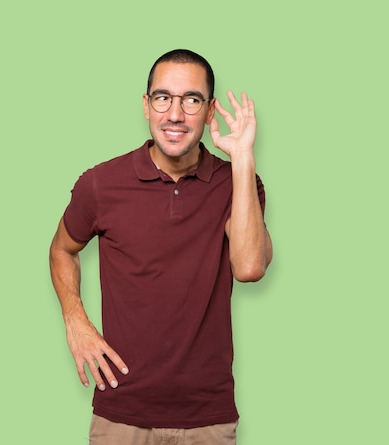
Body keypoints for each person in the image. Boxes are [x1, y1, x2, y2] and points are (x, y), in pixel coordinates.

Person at [49, 49, 272, 444]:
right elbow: (62, 249)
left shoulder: (239, 184)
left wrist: (242, 158)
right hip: (121, 414)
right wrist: (75, 318)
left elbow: (250, 267)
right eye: (162, 97)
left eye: (191, 100)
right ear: (146, 106)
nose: (174, 114)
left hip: (208, 415)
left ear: (209, 112)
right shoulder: (101, 184)